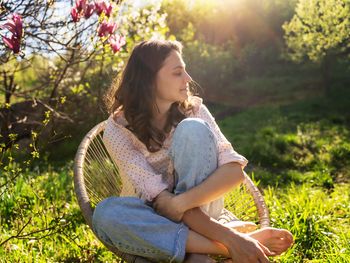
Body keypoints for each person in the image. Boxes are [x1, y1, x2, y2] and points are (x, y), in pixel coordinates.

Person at [92, 39, 293, 263]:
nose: (188, 79)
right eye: (178, 73)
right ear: (148, 80)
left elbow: (234, 171)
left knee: (193, 129)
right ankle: (228, 245)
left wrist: (179, 203)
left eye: (185, 71)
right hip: (153, 222)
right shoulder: (117, 130)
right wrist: (233, 240)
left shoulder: (195, 111)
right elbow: (159, 201)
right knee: (105, 214)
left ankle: (199, 252)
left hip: (204, 211)